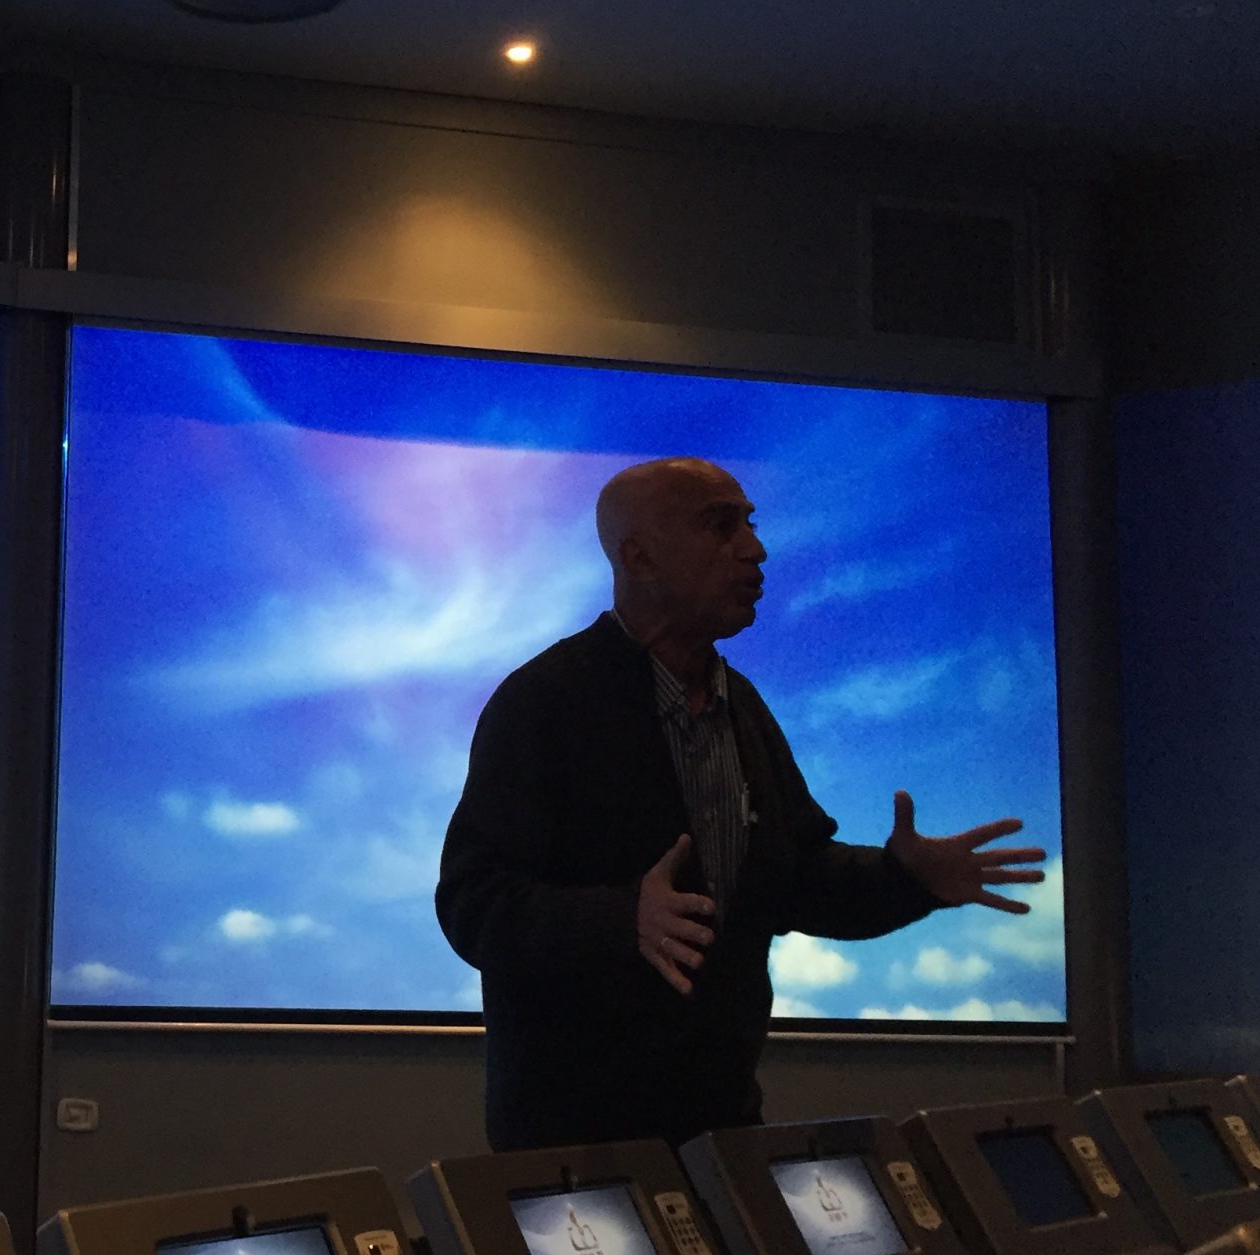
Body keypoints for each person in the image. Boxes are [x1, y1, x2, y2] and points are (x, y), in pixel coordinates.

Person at [435, 456, 1047, 1151]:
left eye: (750, 525)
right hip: (577, 1149)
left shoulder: (742, 706)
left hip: (723, 1129)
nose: (755, 550)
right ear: (639, 557)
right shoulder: (544, 703)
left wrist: (907, 880)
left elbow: (797, 881)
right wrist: (622, 919)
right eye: (721, 526)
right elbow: (473, 903)